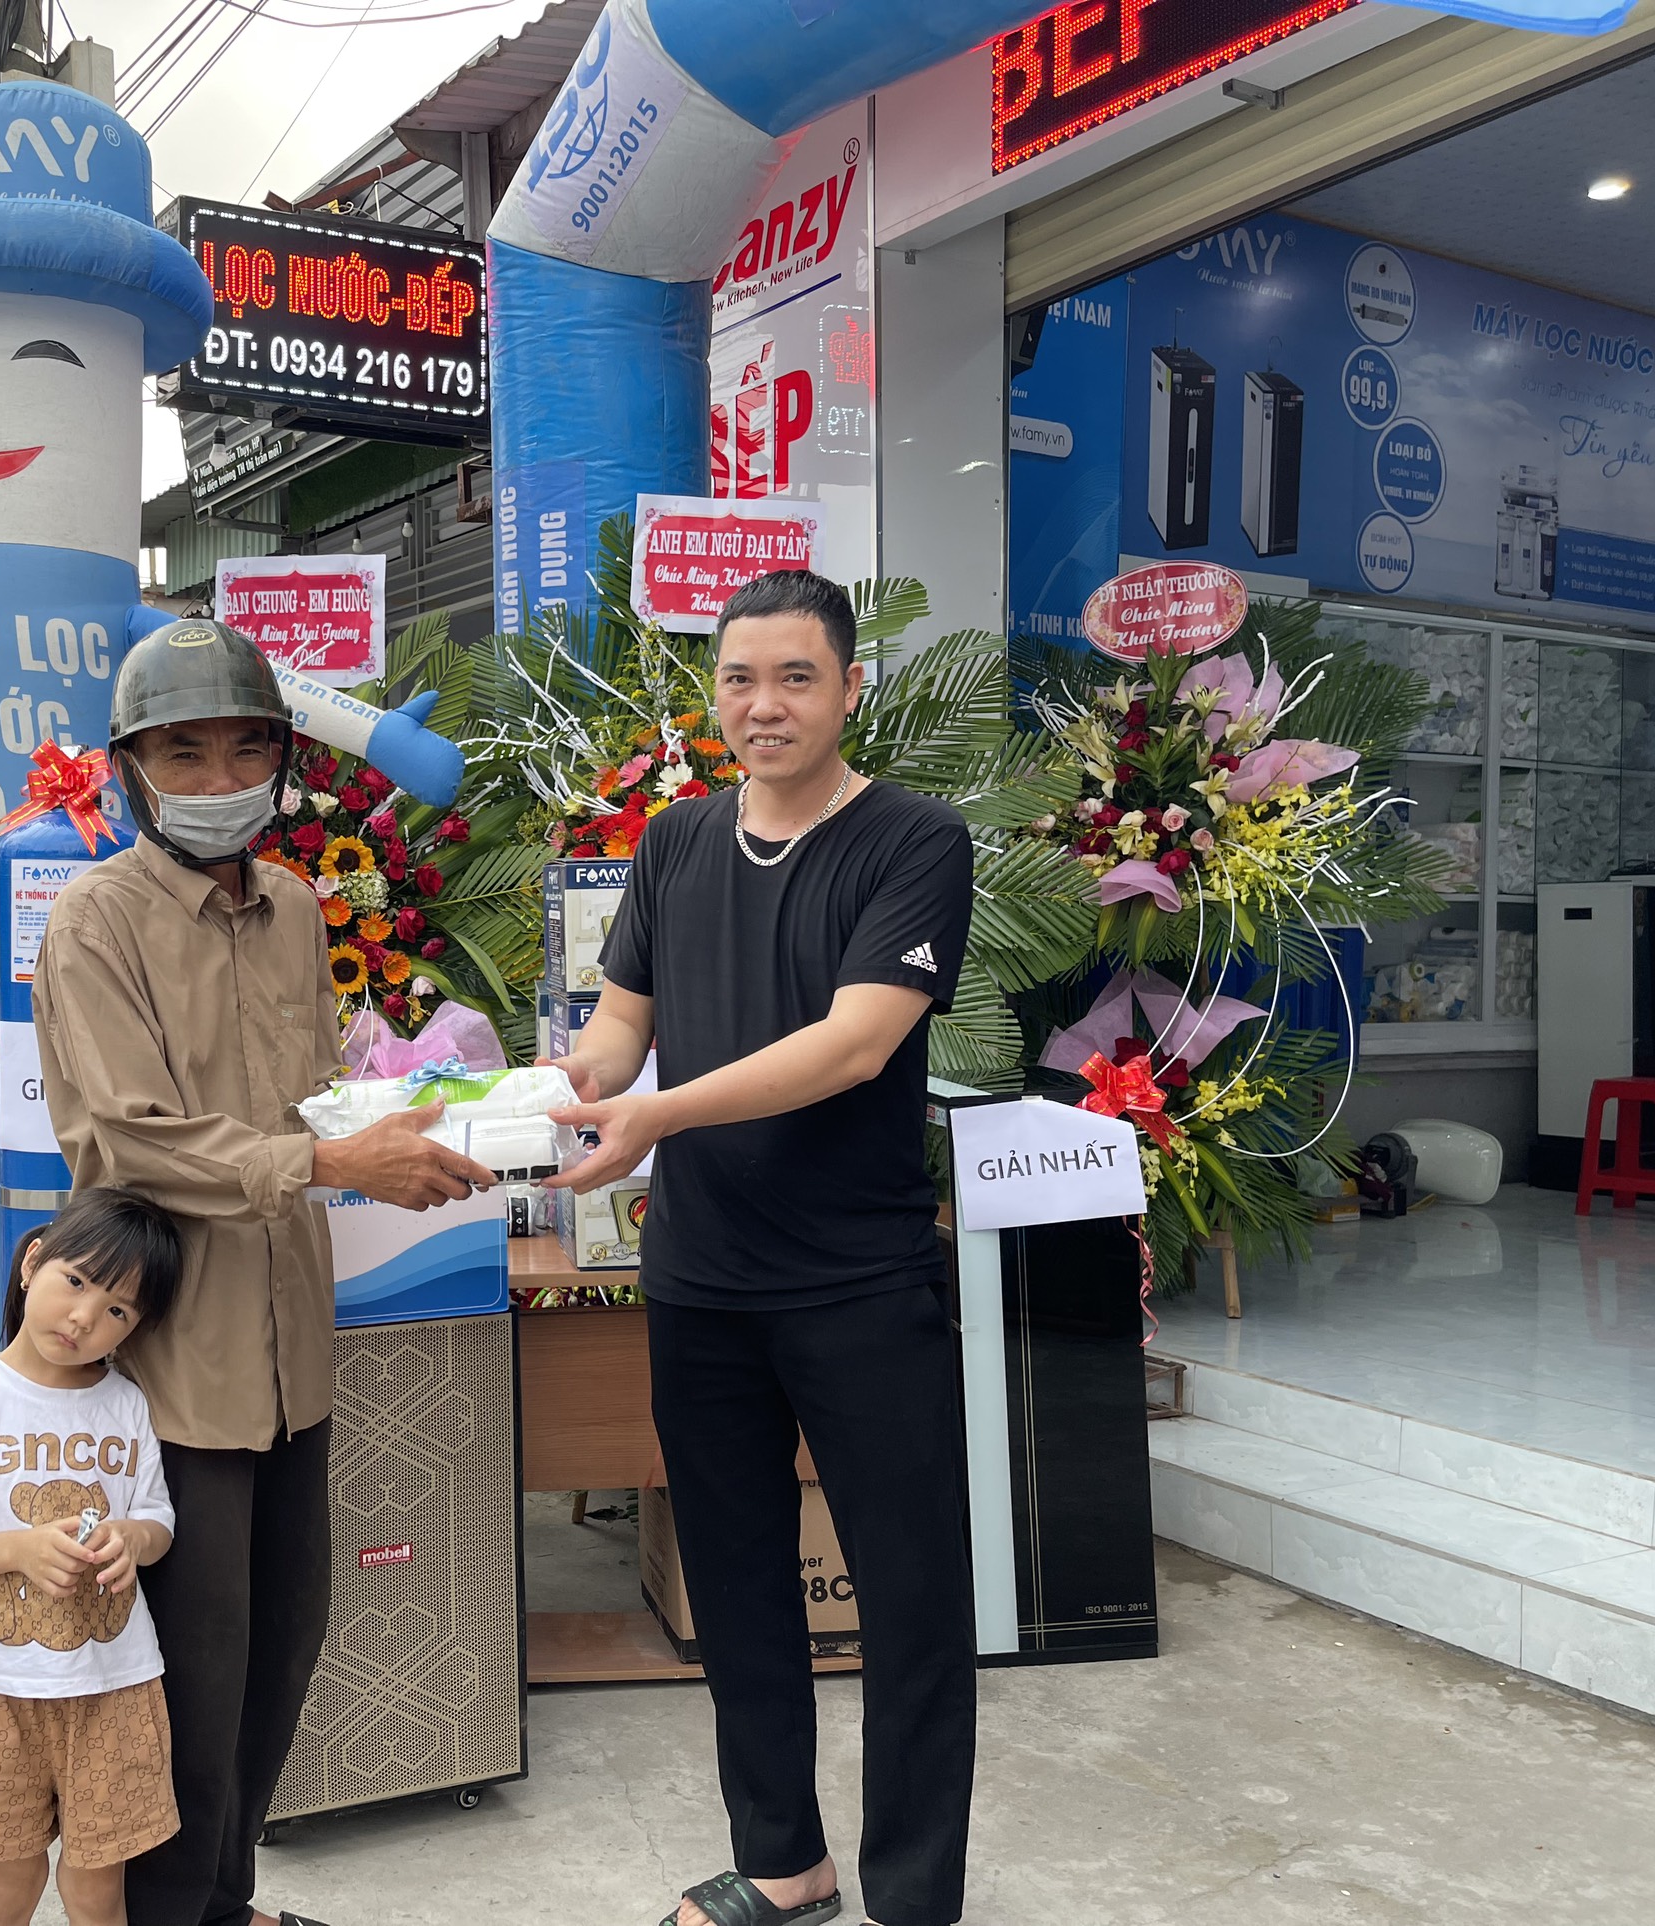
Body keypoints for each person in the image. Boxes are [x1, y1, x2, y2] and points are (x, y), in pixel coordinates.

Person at [31, 618, 496, 1926]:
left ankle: (224, 1901)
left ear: (284, 762)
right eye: (184, 753)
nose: (220, 777)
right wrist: (334, 1159)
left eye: (247, 749)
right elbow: (123, 1137)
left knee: (282, 1647)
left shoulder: (292, 903)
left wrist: (418, 1118)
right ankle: (174, 1912)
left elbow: (311, 1097)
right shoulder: (96, 919)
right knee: (184, 1679)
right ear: (130, 769)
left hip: (294, 1351)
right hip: (173, 1358)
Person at [548, 570, 977, 1926]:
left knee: (910, 1593)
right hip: (702, 1277)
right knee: (737, 1584)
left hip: (859, 1279)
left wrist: (657, 1112)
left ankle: (914, 1894)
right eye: (740, 678)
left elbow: (854, 1044)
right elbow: (624, 1021)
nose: (765, 704)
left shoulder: (914, 840)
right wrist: (564, 1087)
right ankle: (784, 1860)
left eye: (797, 676)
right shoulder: (675, 840)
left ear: (850, 688)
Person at [0, 1188, 189, 1926]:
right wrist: (18, 1549)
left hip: (116, 1686)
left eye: (117, 1311)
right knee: (10, 1882)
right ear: (32, 1263)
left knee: (96, 1891)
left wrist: (133, 1539)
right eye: (75, 1281)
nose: (84, 1317)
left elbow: (158, 1520)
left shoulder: (127, 1405)